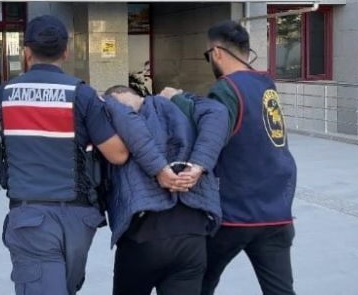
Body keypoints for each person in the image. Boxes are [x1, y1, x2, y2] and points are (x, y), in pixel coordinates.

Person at [0, 15, 129, 295]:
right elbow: (117, 155)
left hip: (30, 217)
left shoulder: (4, 95)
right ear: (66, 52)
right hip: (79, 219)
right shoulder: (82, 94)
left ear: (26, 52)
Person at [163, 20, 297, 295]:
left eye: (208, 55)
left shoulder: (227, 88)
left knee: (198, 284)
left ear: (217, 52)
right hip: (277, 210)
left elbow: (213, 129)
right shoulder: (266, 83)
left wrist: (176, 99)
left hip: (235, 213)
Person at [102, 85, 228, 295]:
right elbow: (217, 111)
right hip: (192, 234)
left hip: (143, 235)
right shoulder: (181, 112)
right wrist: (199, 165)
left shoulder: (118, 116)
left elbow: (120, 114)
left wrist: (159, 169)